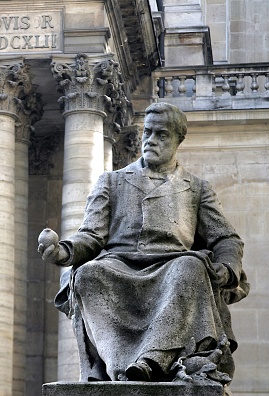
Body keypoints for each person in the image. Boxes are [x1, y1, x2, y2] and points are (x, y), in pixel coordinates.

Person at [38, 102, 249, 385]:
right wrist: (63, 251)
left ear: (178, 140)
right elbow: (91, 235)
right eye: (148, 132)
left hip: (170, 263)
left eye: (161, 135)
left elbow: (225, 237)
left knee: (190, 267)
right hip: (119, 264)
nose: (151, 140)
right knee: (87, 275)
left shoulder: (196, 187)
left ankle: (152, 359)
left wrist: (227, 266)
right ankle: (120, 367)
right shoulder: (111, 181)